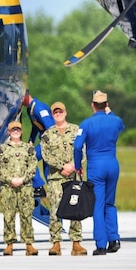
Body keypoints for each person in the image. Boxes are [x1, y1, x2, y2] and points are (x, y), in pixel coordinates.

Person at [74, 91, 125, 256]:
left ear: (92, 105)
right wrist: (110, 112)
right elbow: (120, 125)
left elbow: (77, 146)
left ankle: (101, 244)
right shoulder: (115, 121)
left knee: (98, 204)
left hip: (96, 165)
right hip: (112, 163)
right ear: (107, 105)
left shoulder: (86, 124)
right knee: (110, 203)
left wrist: (77, 165)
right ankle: (114, 239)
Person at [41, 102, 87, 256]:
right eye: (55, 112)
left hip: (73, 176)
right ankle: (56, 243)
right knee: (54, 210)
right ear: (53, 115)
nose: (58, 114)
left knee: (75, 208)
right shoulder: (47, 134)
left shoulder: (76, 130)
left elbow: (83, 150)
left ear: (65, 113)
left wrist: (74, 165)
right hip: (55, 178)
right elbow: (46, 155)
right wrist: (62, 166)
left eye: (60, 111)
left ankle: (76, 243)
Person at [0, 121, 38, 256]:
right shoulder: (2, 149)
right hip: (8, 187)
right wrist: (11, 180)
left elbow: (32, 167)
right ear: (8, 132)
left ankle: (29, 244)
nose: (15, 132)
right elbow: (0, 168)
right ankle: (9, 244)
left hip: (25, 186)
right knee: (9, 215)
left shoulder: (28, 149)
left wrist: (22, 179)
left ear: (21, 132)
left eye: (18, 130)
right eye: (13, 130)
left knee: (26, 215)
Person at [22, 90, 55, 197]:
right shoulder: (30, 109)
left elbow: (50, 127)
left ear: (25, 95)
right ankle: (52, 194)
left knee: (29, 157)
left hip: (49, 141)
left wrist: (46, 143)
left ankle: (38, 187)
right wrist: (31, 140)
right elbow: (35, 126)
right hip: (45, 141)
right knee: (47, 173)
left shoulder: (38, 108)